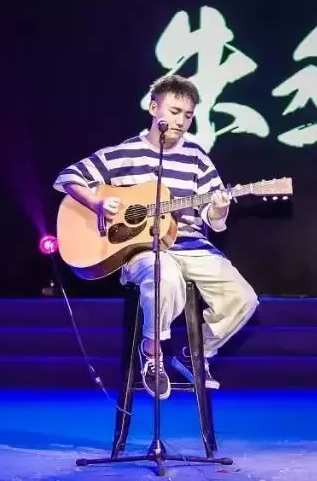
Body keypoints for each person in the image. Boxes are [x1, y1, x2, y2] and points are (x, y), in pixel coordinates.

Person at [53, 73, 259, 398]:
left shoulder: (197, 158)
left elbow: (213, 218)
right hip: (141, 250)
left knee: (243, 297)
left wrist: (219, 208)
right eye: (174, 111)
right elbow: (67, 177)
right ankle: (152, 353)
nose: (181, 121)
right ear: (153, 108)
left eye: (188, 115)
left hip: (193, 246)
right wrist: (97, 203)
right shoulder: (123, 154)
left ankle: (196, 353)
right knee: (165, 275)